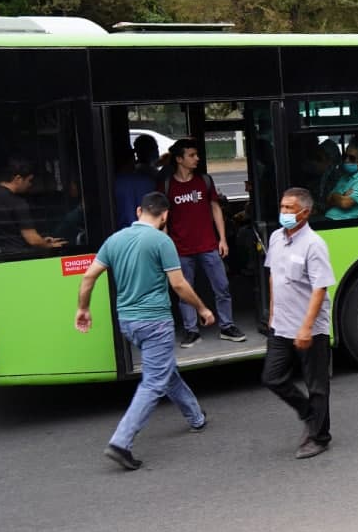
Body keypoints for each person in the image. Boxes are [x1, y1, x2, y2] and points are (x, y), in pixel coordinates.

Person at [74, 192, 214, 471]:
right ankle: (121, 442)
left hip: (127, 322)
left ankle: (196, 417)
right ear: (165, 216)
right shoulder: (162, 241)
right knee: (154, 382)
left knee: (164, 370)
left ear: (139, 211)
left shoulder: (114, 240)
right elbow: (179, 285)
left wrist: (83, 308)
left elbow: (89, 276)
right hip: (155, 322)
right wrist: (202, 308)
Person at [262, 188, 337, 460]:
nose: (284, 213)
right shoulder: (275, 238)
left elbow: (320, 288)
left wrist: (306, 328)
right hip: (281, 325)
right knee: (271, 377)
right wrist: (271, 314)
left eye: (289, 209)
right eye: (282, 207)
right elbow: (273, 277)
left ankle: (319, 437)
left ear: (305, 213)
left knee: (316, 385)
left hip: (309, 328)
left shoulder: (314, 244)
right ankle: (308, 414)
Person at [159, 138, 246, 348]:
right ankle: (191, 331)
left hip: (208, 245)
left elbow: (215, 208)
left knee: (222, 287)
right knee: (184, 290)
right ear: (179, 159)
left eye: (196, 155)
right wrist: (165, 244)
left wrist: (222, 239)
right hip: (180, 248)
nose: (197, 159)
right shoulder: (166, 185)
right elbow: (163, 218)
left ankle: (227, 326)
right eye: (191, 155)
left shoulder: (204, 181)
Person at [0, 158, 67, 255]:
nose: (30, 185)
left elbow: (8, 232)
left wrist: (42, 241)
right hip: (20, 255)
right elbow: (33, 240)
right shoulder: (17, 202)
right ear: (18, 179)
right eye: (29, 180)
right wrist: (49, 246)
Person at [323, 144, 358, 221]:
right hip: (329, 218)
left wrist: (335, 197)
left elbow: (344, 203)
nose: (346, 160)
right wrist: (341, 196)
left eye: (352, 158)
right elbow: (328, 200)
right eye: (345, 157)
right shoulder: (344, 177)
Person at [114, 146, 153, 230]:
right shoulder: (147, 182)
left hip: (120, 233)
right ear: (131, 160)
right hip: (145, 232)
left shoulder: (111, 184)